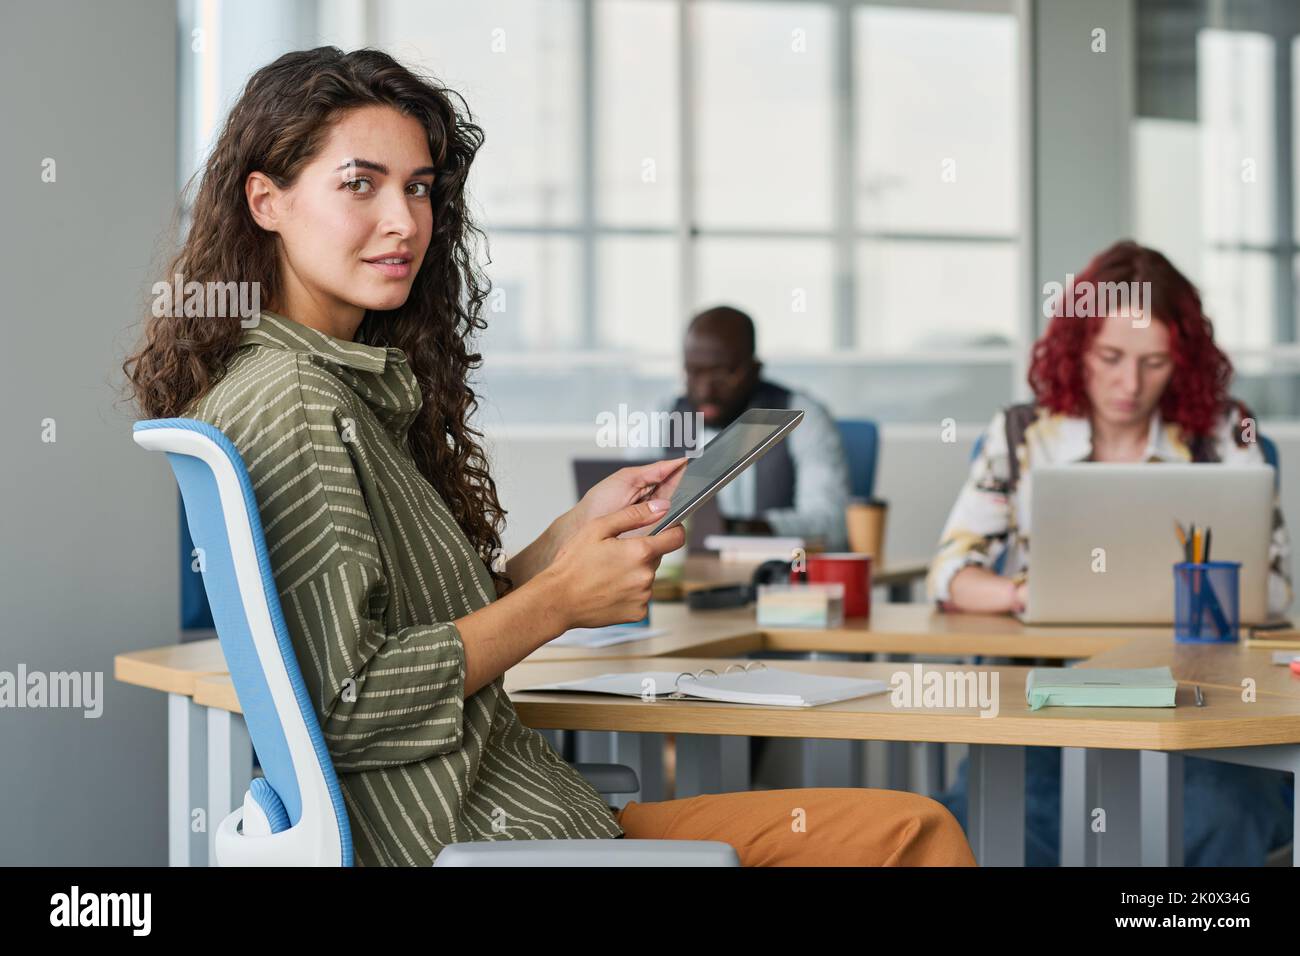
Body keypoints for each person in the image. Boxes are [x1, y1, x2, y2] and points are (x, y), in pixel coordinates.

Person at [123, 46, 973, 867]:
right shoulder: (298, 401)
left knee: (899, 830)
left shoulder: (328, 387)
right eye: (359, 185)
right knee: (912, 836)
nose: (403, 222)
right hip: (487, 844)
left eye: (419, 189)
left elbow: (406, 637)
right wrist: (561, 602)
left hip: (533, 820)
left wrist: (562, 546)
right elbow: (345, 704)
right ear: (266, 200)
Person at [928, 239, 1293, 866]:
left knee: (1219, 813)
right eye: (1111, 357)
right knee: (988, 820)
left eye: (1155, 362)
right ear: (1077, 349)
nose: (1131, 384)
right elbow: (951, 572)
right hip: (1048, 696)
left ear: (1184, 360)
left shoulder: (1226, 431)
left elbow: (1276, 589)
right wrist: (1023, 593)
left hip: (1198, 698)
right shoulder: (1022, 433)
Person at [659, 306, 851, 550]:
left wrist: (738, 530)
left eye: (722, 373)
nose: (705, 390)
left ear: (755, 369)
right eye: (694, 372)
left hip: (776, 577)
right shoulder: (663, 415)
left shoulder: (801, 416)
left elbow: (832, 526)